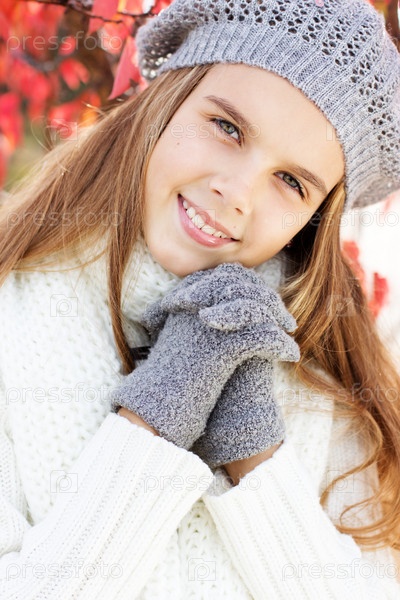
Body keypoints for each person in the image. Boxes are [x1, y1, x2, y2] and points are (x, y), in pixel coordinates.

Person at [0, 0, 400, 597]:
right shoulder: (15, 316)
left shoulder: (328, 376)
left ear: (315, 218)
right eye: (227, 128)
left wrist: (256, 459)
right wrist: (157, 419)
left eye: (291, 181)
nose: (236, 193)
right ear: (166, 102)